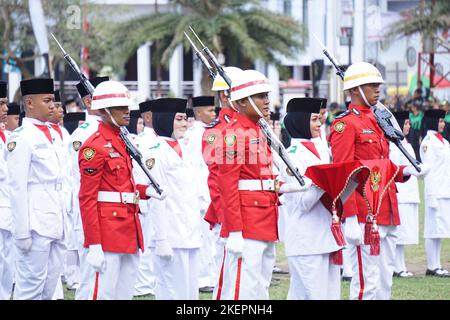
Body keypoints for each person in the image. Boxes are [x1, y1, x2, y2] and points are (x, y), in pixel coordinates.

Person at [328, 62, 428, 300]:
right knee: (366, 285)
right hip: (364, 214)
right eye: (371, 85)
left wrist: (406, 171)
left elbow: (380, 166)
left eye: (378, 85)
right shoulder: (345, 124)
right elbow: (344, 172)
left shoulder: (377, 120)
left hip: (387, 209)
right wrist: (349, 216)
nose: (378, 89)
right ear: (354, 90)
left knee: (385, 284)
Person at [215, 70, 302, 300]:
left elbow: (258, 179)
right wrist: (234, 230)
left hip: (265, 219)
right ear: (242, 101)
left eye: (266, 95)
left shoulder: (258, 131)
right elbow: (228, 185)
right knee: (242, 289)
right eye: (261, 96)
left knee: (259, 289)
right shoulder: (233, 134)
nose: (267, 102)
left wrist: (285, 186)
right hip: (246, 222)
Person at [77, 80, 166, 300]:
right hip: (107, 232)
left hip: (128, 227)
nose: (127, 112)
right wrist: (94, 243)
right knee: (103, 293)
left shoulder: (121, 140)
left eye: (127, 107)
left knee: (124, 293)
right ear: (105, 111)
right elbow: (87, 198)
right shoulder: (94, 146)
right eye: (120, 108)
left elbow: (122, 185)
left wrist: (146, 191)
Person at [7, 78, 66, 300]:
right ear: (29, 103)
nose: (53, 105)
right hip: (35, 225)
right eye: (47, 100)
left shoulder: (53, 135)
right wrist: (22, 232)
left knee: (49, 288)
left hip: (57, 220)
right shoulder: (21, 138)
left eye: (53, 100)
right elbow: (17, 187)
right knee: (30, 288)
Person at [281, 97, 342, 299]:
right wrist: (326, 180)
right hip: (306, 239)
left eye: (320, 118)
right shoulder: (291, 155)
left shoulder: (321, 150)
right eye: (314, 119)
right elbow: (302, 203)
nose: (319, 124)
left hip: (326, 235)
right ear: (300, 120)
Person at [141, 98, 201, 300]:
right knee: (172, 293)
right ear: (166, 120)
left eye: (185, 119)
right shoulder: (155, 153)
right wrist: (161, 239)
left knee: (190, 294)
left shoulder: (186, 150)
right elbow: (156, 200)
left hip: (189, 232)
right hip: (169, 234)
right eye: (179, 119)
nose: (185, 124)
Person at [201, 67, 244, 298]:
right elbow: (218, 180)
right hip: (227, 214)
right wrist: (227, 219)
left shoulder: (248, 126)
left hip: (247, 211)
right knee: (226, 281)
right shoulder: (216, 131)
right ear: (226, 95)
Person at [70, 76, 109, 300]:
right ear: (88, 102)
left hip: (108, 212)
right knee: (91, 277)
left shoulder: (113, 131)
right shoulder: (84, 134)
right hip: (90, 210)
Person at [184, 96, 217, 293]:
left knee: (210, 238)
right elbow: (195, 167)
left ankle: (209, 275)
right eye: (209, 110)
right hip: (201, 192)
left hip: (209, 189)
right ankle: (203, 278)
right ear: (197, 112)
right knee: (204, 238)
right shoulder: (194, 134)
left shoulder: (206, 132)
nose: (214, 114)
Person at [420, 109, 450, 277]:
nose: (443, 124)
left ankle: (437, 264)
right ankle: (432, 266)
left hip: (445, 189)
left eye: (443, 121)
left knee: (440, 230)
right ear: (432, 122)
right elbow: (428, 170)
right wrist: (431, 195)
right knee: (432, 229)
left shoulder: (444, 142)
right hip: (435, 190)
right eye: (439, 121)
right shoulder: (428, 142)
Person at [389, 111, 420, 278]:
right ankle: (397, 266)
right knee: (399, 234)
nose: (408, 126)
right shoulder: (394, 145)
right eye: (406, 123)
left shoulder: (406, 143)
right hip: (401, 194)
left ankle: (400, 265)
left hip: (410, 193)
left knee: (405, 233)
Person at [133, 99, 158, 298]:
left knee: (156, 242)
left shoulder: (160, 139)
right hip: (144, 200)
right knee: (146, 244)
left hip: (158, 199)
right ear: (148, 116)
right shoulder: (140, 141)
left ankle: (150, 281)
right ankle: (142, 284)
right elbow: (138, 174)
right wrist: (141, 202)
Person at [0, 81, 14, 300]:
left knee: (6, 264)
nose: (5, 109)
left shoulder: (7, 137)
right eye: (1, 104)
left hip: (7, 207)